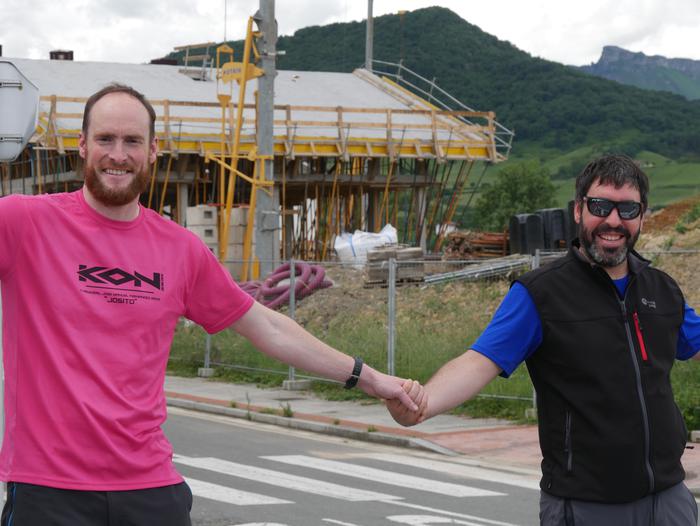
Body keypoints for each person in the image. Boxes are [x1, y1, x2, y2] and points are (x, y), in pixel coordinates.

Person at [0, 83, 423, 526]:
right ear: (83, 145)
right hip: (49, 492)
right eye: (105, 139)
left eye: (132, 141)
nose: (118, 155)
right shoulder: (25, 223)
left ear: (153, 150)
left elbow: (267, 326)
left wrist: (370, 379)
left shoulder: (180, 250)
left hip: (149, 490)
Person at [389, 154, 700, 525]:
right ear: (578, 210)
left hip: (669, 500)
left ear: (642, 216)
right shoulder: (541, 293)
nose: (614, 221)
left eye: (628, 209)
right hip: (586, 505)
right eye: (600, 206)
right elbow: (480, 360)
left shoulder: (662, 290)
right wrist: (424, 403)